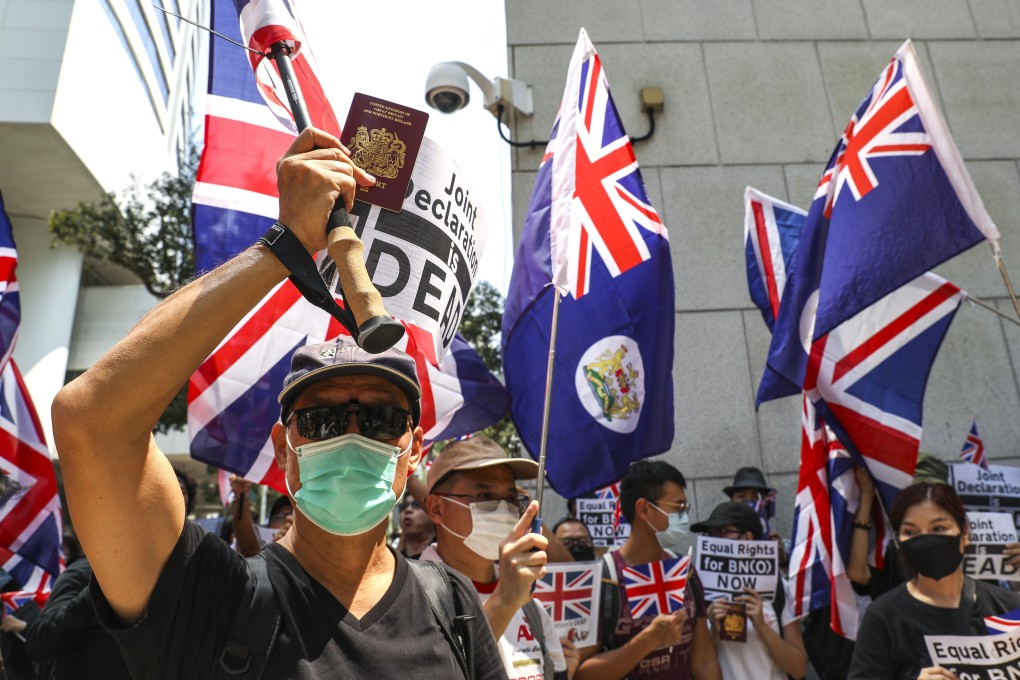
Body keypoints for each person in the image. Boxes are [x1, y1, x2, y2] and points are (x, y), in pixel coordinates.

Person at [50, 128, 505, 679]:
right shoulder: (215, 598)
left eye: (383, 419)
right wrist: (285, 246)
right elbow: (91, 421)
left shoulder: (450, 605)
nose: (353, 434)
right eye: (323, 419)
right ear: (284, 447)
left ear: (414, 454)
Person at [423, 436, 576, 680]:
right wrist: (504, 601)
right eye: (484, 496)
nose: (504, 509)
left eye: (512, 498)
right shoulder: (412, 597)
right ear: (436, 509)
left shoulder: (530, 607)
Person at [849, 482, 1020, 680]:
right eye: (911, 532)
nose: (926, 541)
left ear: (964, 534)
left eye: (938, 528)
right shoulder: (885, 616)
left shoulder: (1008, 607)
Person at [574, 460, 721, 680]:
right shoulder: (602, 579)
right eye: (678, 507)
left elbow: (704, 660)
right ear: (644, 509)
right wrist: (649, 639)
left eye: (685, 508)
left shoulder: (686, 573)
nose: (684, 517)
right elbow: (580, 673)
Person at [691, 502, 806, 680]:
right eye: (710, 533)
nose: (714, 539)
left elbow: (798, 669)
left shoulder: (779, 589)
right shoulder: (701, 591)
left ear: (747, 538)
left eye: (722, 532)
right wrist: (713, 632)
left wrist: (762, 628)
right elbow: (695, 668)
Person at [397, 495, 436, 560]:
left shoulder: (443, 552)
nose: (408, 510)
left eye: (416, 505)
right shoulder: (395, 560)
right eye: (403, 506)